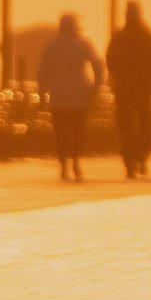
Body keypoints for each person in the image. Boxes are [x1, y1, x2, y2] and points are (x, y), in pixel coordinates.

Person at [36, 13, 104, 181]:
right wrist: (96, 86)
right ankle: (76, 161)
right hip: (79, 90)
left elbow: (43, 70)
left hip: (58, 91)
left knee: (61, 131)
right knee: (79, 129)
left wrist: (42, 93)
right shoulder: (83, 42)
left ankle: (63, 165)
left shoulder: (52, 44)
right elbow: (97, 65)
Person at [105, 0, 151, 179]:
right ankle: (140, 158)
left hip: (124, 89)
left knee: (126, 128)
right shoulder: (150, 37)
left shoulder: (119, 37)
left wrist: (119, 76)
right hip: (143, 89)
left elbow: (110, 61)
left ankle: (131, 162)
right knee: (146, 128)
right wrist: (150, 76)